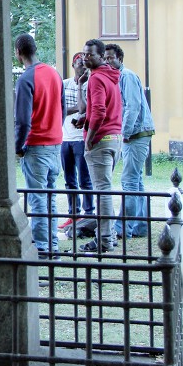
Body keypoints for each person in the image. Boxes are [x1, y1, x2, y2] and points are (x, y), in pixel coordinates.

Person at [14, 33, 65, 259]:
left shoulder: (26, 79)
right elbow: (62, 108)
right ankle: (51, 245)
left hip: (36, 146)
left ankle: (43, 247)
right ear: (35, 49)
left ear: (18, 52)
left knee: (37, 200)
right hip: (55, 145)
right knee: (50, 198)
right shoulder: (54, 74)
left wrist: (18, 146)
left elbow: (23, 121)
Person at [104, 44, 154, 239]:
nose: (108, 61)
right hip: (135, 134)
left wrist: (123, 134)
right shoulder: (117, 78)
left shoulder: (127, 77)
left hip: (136, 134)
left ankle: (123, 228)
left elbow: (132, 107)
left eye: (111, 58)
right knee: (137, 181)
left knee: (129, 182)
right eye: (106, 58)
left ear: (120, 59)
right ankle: (140, 226)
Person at [79, 39, 123, 254]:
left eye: (90, 55)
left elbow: (99, 111)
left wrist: (89, 138)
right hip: (114, 139)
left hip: (101, 141)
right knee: (104, 190)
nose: (85, 58)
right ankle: (110, 236)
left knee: (102, 192)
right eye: (84, 54)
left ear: (100, 56)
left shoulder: (97, 78)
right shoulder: (110, 75)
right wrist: (85, 120)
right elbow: (102, 108)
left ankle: (104, 240)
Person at [60, 52, 95, 227]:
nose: (82, 67)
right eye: (79, 63)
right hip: (65, 138)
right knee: (69, 180)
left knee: (85, 179)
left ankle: (89, 214)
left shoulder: (90, 84)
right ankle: (74, 215)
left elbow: (87, 108)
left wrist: (72, 108)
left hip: (81, 138)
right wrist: (75, 109)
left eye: (85, 64)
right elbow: (59, 109)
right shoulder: (64, 84)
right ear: (73, 65)